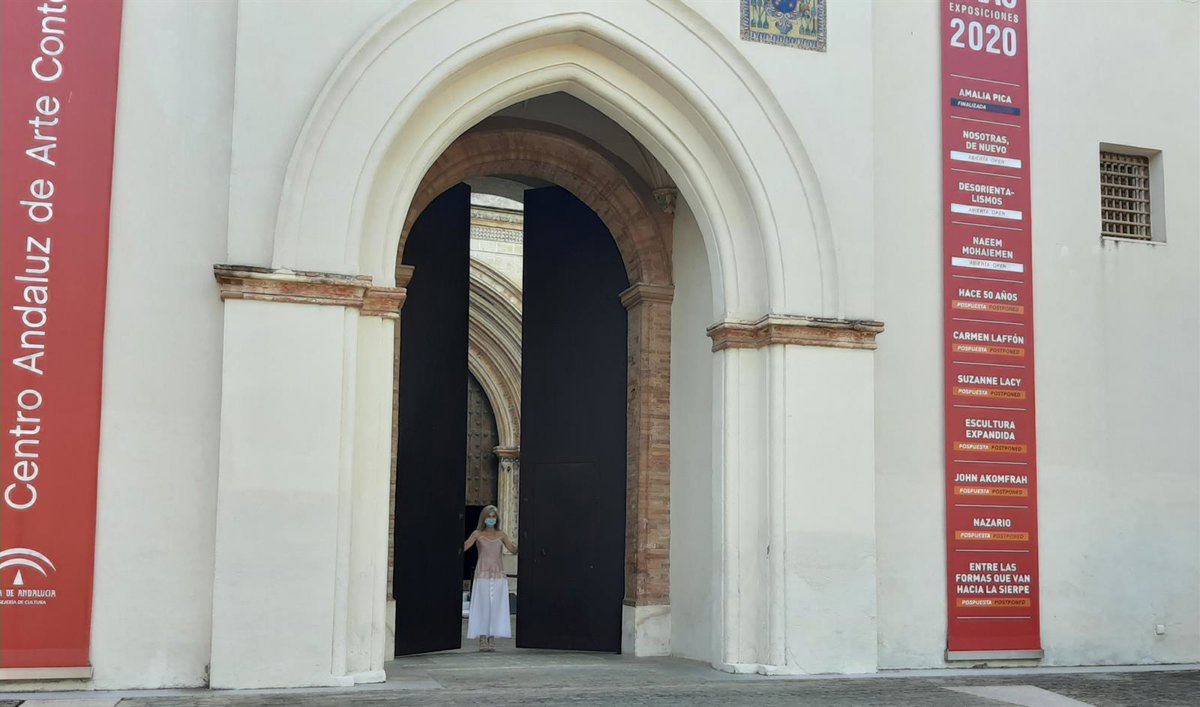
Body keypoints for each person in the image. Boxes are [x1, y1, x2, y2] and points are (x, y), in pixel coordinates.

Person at [463, 505, 517, 651]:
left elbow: (513, 549)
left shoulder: (501, 535)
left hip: (498, 575)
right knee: (483, 606)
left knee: (496, 606)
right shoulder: (477, 534)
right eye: (489, 516)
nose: (491, 519)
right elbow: (464, 547)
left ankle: (492, 636)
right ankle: (482, 637)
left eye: (493, 517)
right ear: (484, 518)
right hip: (482, 574)